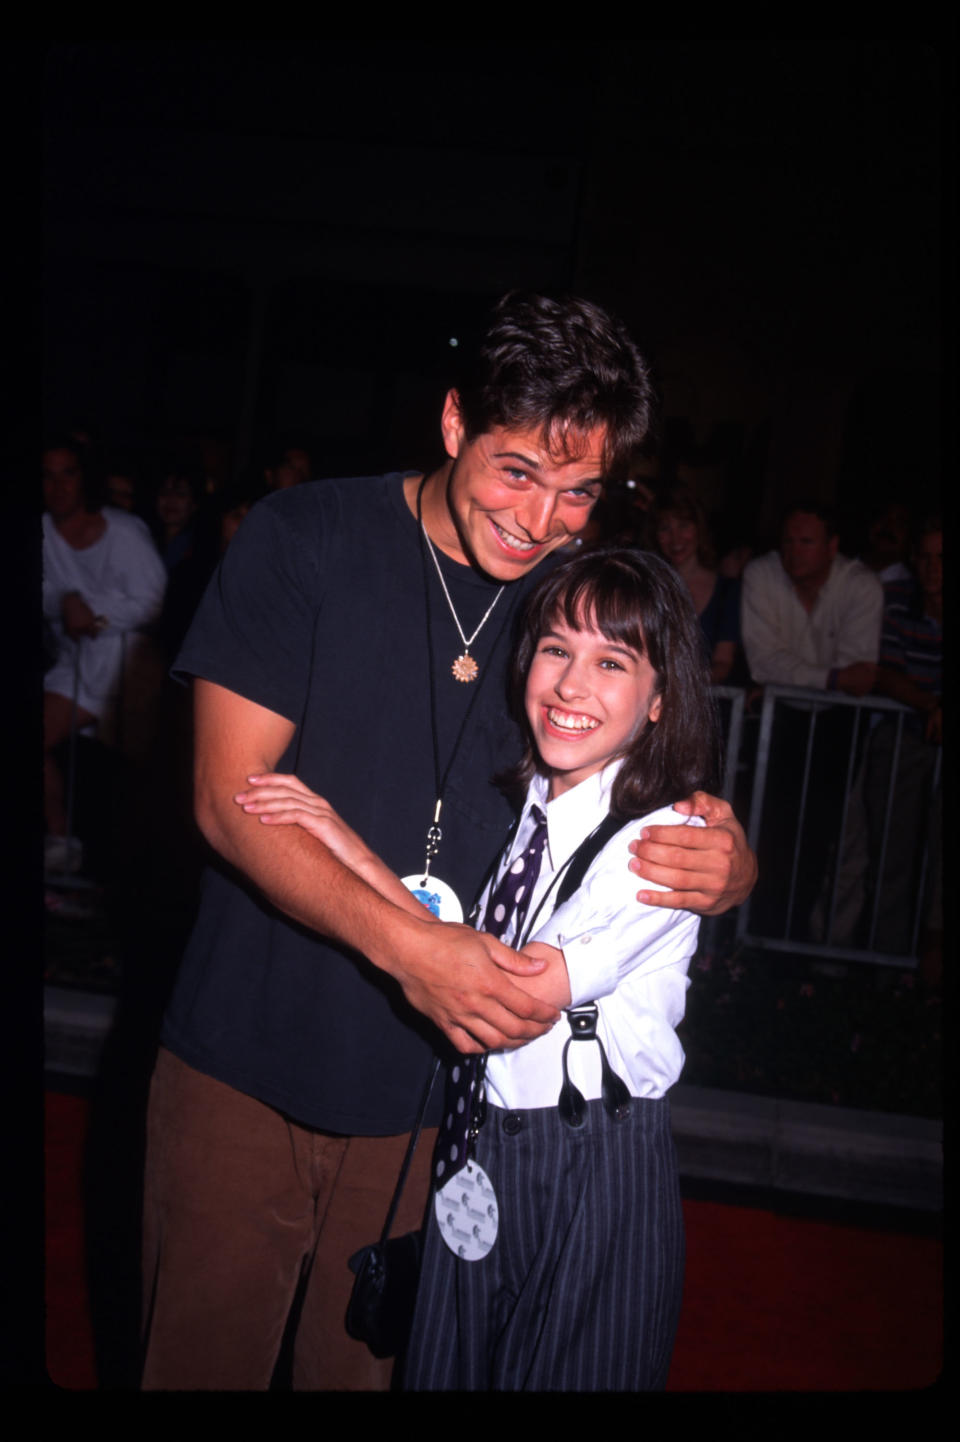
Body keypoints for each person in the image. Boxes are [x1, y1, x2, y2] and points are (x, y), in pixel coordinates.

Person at [140, 292, 757, 1391]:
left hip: (443, 1111)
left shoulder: (564, 602)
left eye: (580, 491)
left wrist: (728, 856)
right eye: (518, 469)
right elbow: (227, 791)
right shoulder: (308, 534)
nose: (542, 519)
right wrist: (417, 950)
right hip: (244, 1058)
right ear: (453, 420)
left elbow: (644, 778)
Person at [242, 548, 716, 1390]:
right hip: (480, 1149)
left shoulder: (663, 840)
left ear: (659, 703)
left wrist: (351, 867)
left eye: (613, 662)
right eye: (556, 648)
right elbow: (455, 947)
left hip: (592, 1166)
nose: (572, 685)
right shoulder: (538, 803)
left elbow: (511, 993)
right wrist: (339, 837)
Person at [43, 437, 167, 870]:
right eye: (48, 475)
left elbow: (155, 600)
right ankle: (61, 841)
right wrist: (64, 599)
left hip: (126, 666)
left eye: (68, 473)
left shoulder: (124, 531)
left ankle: (110, 867)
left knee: (126, 775)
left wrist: (95, 615)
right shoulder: (42, 531)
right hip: (74, 662)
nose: (57, 486)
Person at [653, 484, 740, 683]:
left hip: (705, 705)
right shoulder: (649, 587)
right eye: (665, 528)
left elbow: (723, 663)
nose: (675, 539)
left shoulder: (728, 590)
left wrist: (681, 689)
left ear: (699, 529)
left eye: (684, 526)